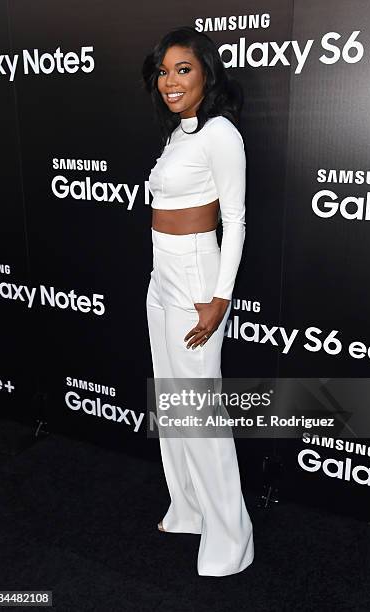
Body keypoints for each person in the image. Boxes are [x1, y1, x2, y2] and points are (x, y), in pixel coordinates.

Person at [142, 26, 254, 577]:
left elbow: (233, 221)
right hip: (161, 280)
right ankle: (188, 508)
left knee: (198, 409)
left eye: (182, 69)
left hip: (195, 277)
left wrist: (219, 297)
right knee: (171, 405)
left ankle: (232, 535)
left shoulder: (221, 134)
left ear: (206, 72)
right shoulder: (179, 135)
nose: (170, 80)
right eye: (164, 71)